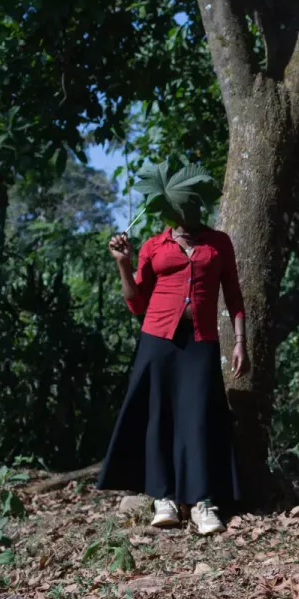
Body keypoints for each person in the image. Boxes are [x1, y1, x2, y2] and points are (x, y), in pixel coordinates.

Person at [98, 209, 248, 535]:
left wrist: (240, 342)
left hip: (200, 342)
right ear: (169, 208)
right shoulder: (154, 246)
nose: (185, 212)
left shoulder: (218, 243)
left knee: (198, 418)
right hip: (157, 342)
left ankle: (201, 502)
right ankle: (163, 498)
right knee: (158, 416)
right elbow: (136, 303)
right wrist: (123, 262)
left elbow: (234, 294)